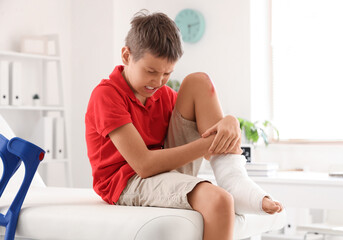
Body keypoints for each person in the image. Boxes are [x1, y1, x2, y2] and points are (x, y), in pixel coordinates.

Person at [85, 10, 283, 240]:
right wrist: (209, 143)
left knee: (198, 81)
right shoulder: (106, 95)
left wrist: (229, 123)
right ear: (127, 56)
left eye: (167, 73)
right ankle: (233, 190)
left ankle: (234, 179)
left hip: (164, 168)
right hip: (126, 182)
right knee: (220, 200)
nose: (158, 82)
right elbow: (144, 166)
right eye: (150, 71)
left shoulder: (163, 94)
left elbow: (211, 147)